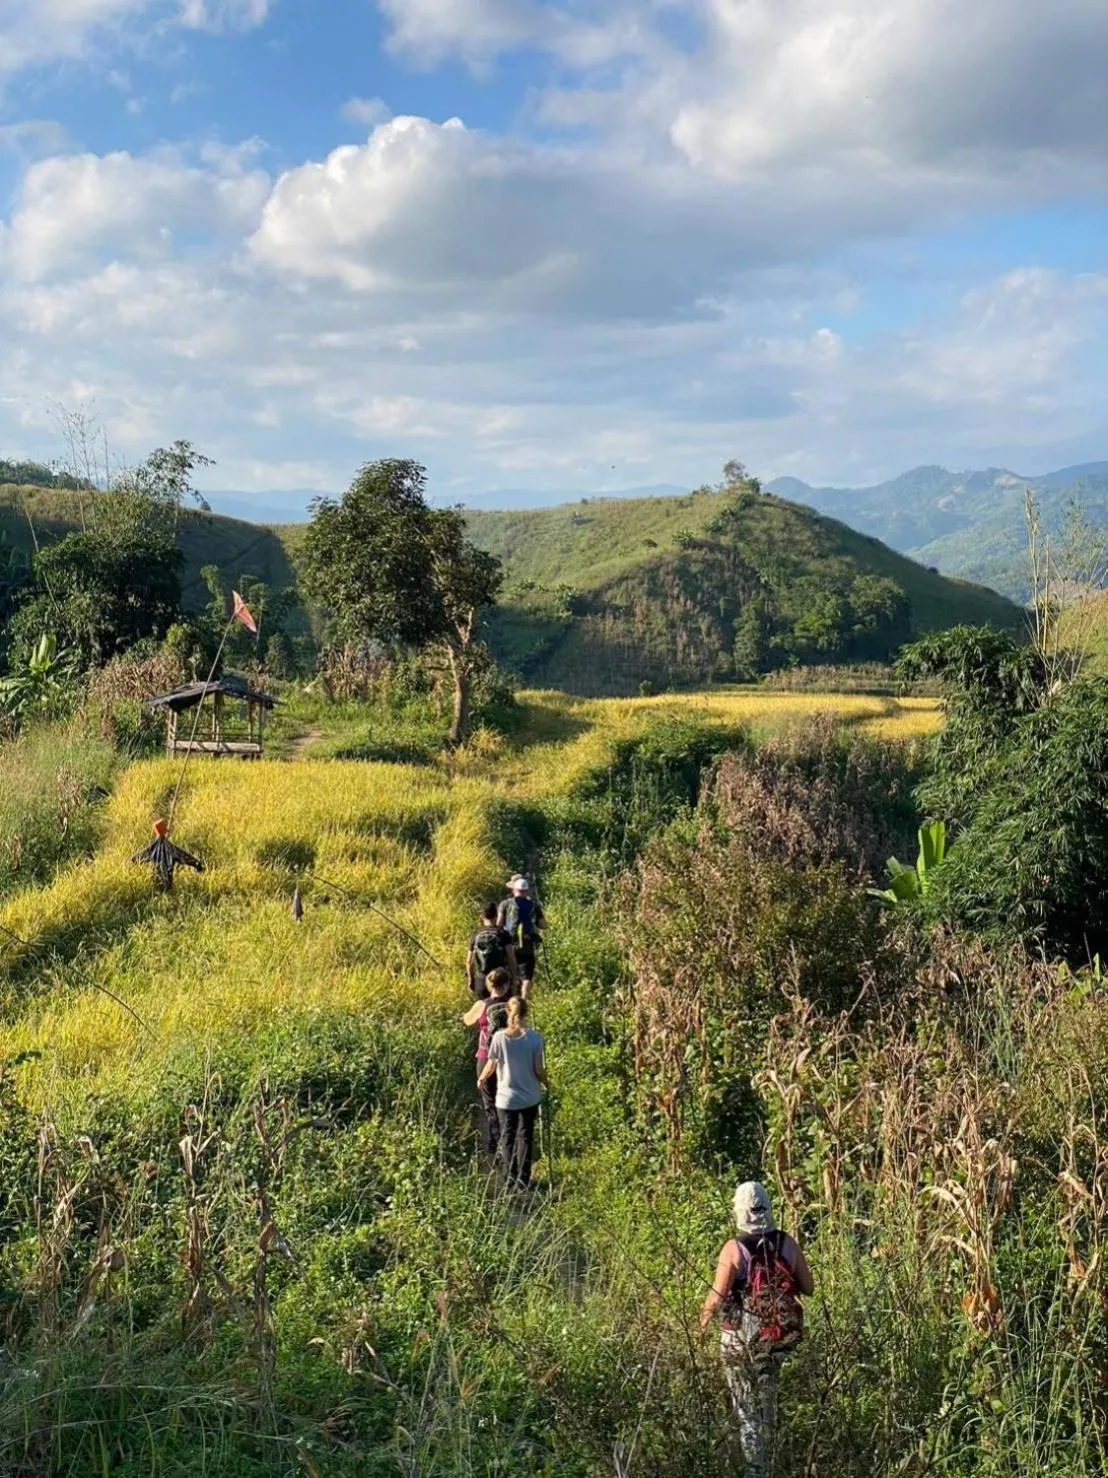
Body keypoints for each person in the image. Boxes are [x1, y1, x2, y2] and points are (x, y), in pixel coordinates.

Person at [700, 1182, 813, 1478]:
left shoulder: (733, 1249)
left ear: (739, 1210)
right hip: (778, 1337)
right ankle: (777, 1466)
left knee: (747, 1411)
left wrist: (698, 1330)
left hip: (739, 1339)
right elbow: (809, 1288)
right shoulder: (786, 1243)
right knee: (769, 1407)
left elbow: (716, 1297)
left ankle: (756, 1472)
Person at [478, 995, 548, 1189]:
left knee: (507, 1136)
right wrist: (548, 1083)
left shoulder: (499, 1038)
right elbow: (538, 1070)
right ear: (526, 1013)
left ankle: (509, 1177)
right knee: (525, 1136)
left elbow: (490, 1066)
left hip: (505, 1098)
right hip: (529, 1096)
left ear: (507, 1011)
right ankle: (523, 1180)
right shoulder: (535, 1038)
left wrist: (481, 1078)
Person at [461, 966, 513, 1158]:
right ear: (507, 984)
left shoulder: (482, 1005)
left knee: (489, 1101)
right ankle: (505, 1141)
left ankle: (495, 1140)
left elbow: (467, 1021)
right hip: (509, 1059)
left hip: (485, 1056)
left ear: (489, 985)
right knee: (506, 1099)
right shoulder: (514, 1005)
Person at [497, 875, 545, 1000]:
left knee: (512, 975)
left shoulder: (505, 904)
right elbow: (542, 925)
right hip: (527, 945)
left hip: (510, 946)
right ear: (527, 890)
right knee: (526, 978)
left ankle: (511, 1001)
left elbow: (499, 924)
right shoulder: (534, 905)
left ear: (513, 889)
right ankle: (523, 1003)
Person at [466, 903, 517, 1000]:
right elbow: (511, 957)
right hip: (500, 979)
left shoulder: (476, 935)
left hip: (481, 979)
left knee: (483, 1009)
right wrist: (514, 978)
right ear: (496, 916)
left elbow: (469, 961)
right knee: (501, 1009)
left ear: (482, 916)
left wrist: (471, 979)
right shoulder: (503, 934)